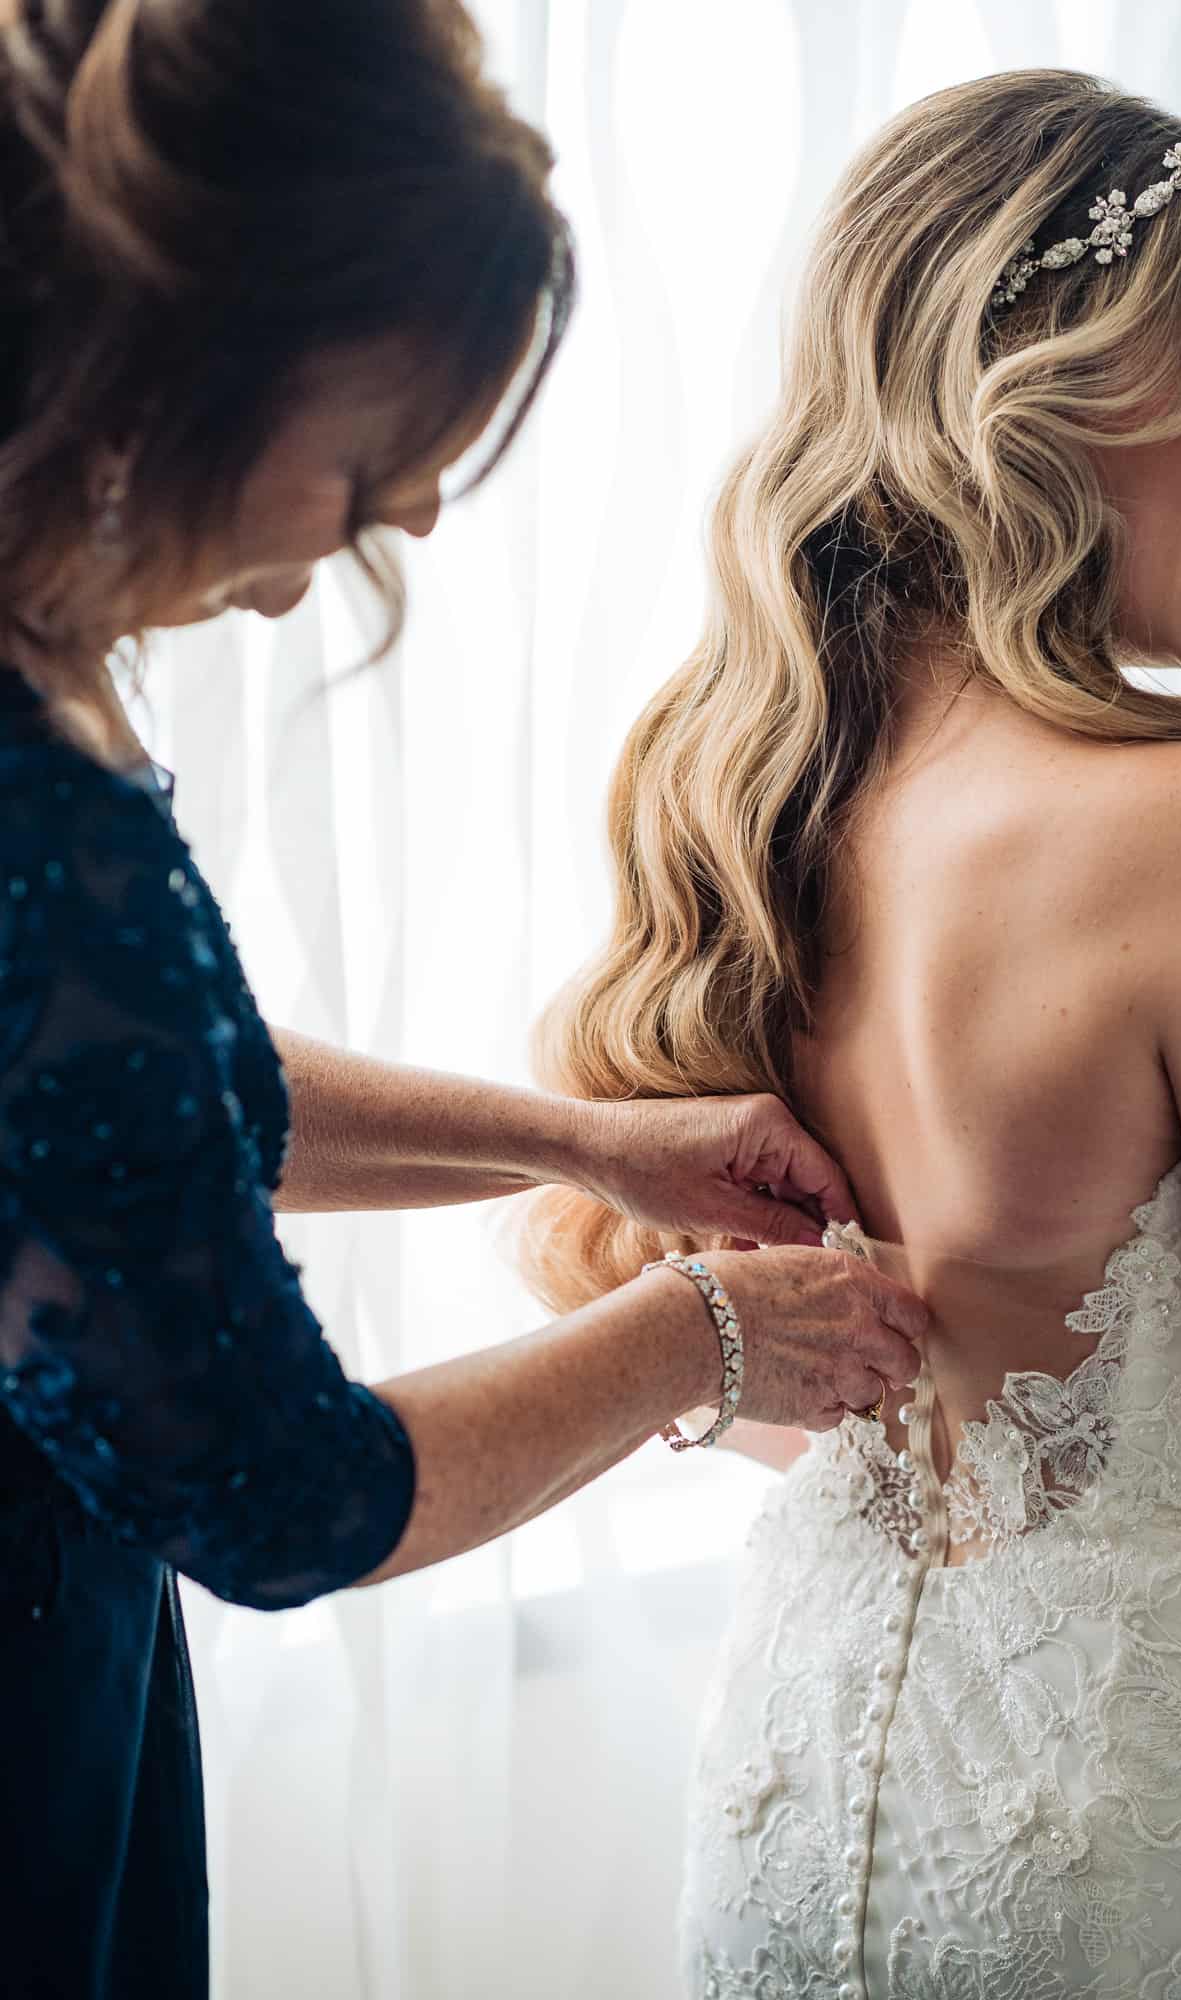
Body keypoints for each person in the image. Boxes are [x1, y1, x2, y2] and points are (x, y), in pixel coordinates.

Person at [0, 4, 933, 1994]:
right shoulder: (27, 828)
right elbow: (287, 1493)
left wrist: (581, 1138)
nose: (411, 512)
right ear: (197, 356)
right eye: (381, 442)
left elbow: (142, 1109)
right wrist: (701, 1337)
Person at [523, 68, 1181, 1997]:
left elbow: (760, 1360)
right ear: (1047, 383)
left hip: (795, 1811)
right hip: (1147, 1844)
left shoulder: (744, 795)